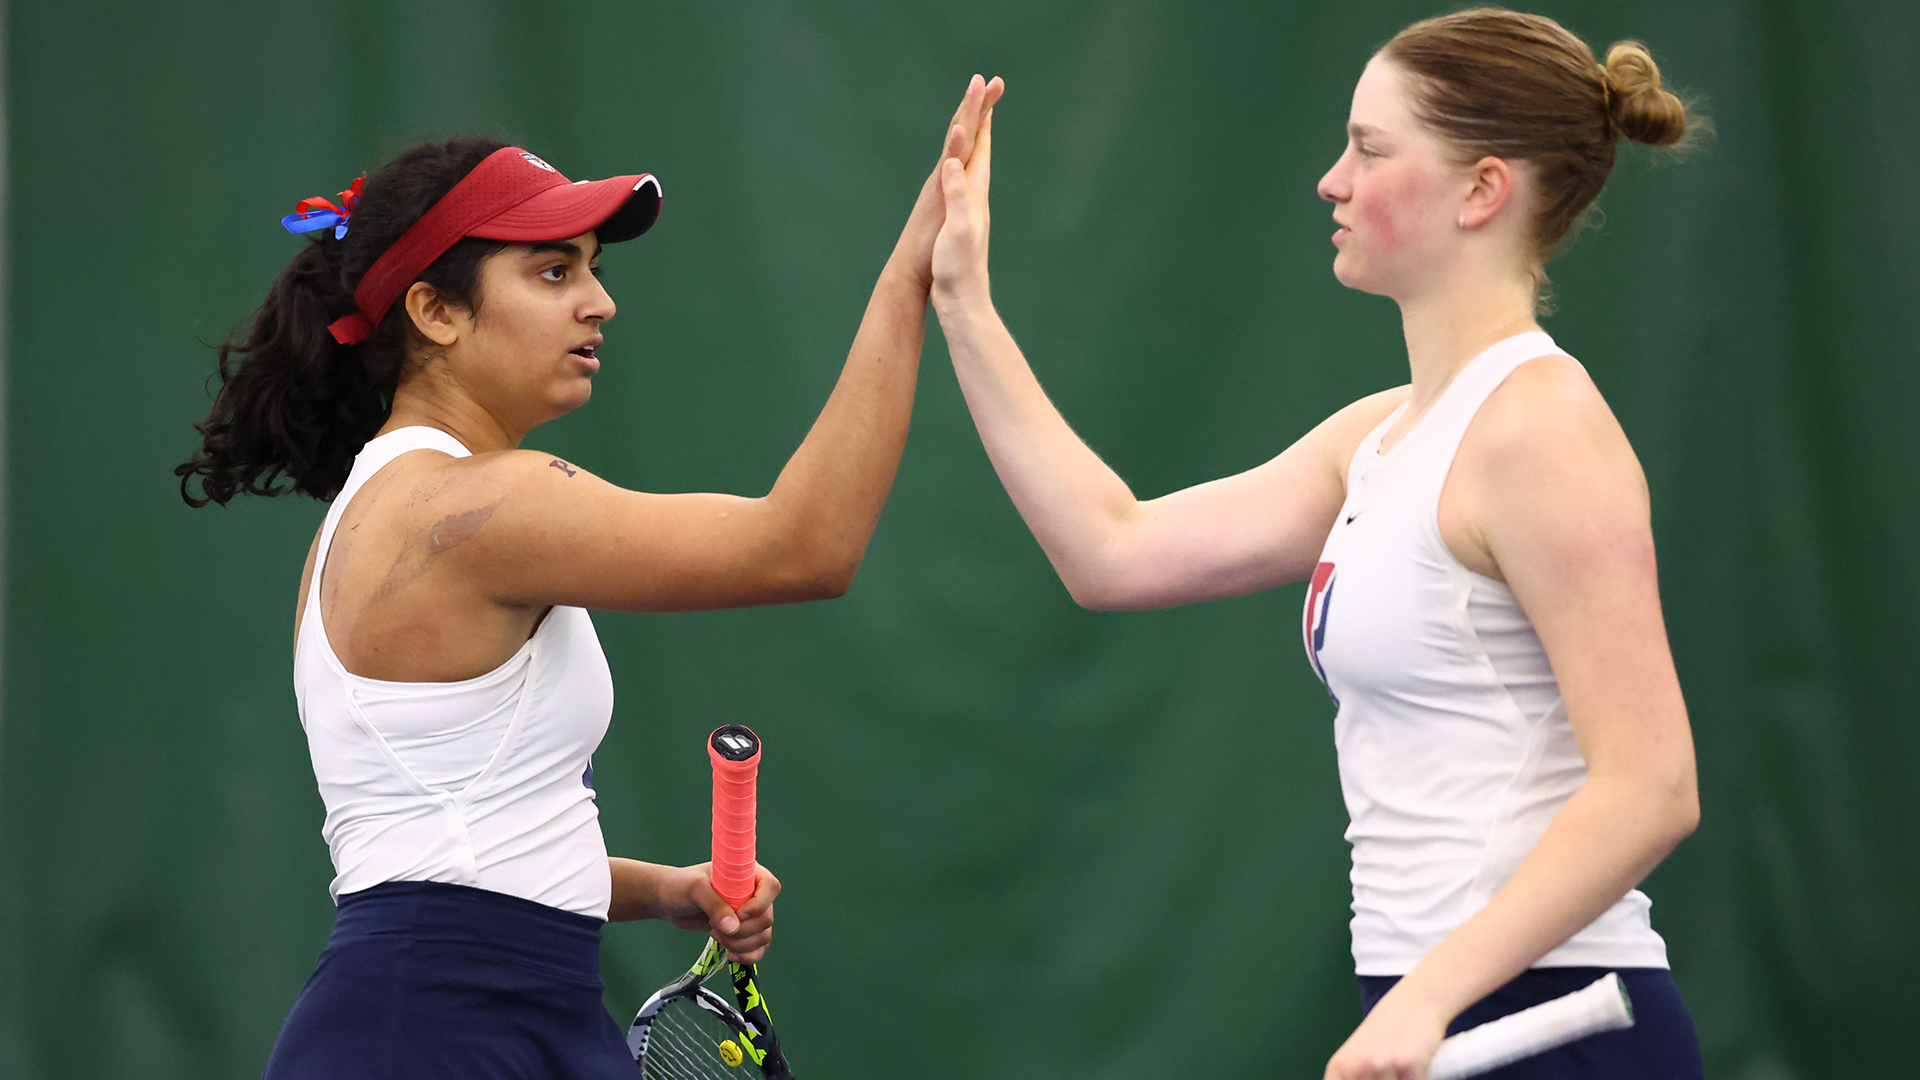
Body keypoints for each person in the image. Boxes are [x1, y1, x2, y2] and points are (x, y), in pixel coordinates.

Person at [177, 77, 1002, 1078]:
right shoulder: (478, 505)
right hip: (434, 1037)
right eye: (552, 271)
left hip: (461, 1015)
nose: (599, 300)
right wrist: (912, 280)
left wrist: (663, 890)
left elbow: (454, 849)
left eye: (591, 269)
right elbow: (805, 545)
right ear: (435, 311)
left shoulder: (363, 520)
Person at [928, 10, 1701, 1079]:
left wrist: (1428, 998)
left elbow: (1652, 784)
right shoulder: (1378, 438)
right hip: (1426, 1004)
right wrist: (964, 301)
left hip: (1551, 1020)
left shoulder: (1542, 430)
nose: (1332, 182)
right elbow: (1111, 549)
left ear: (1482, 190)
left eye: (1370, 150)